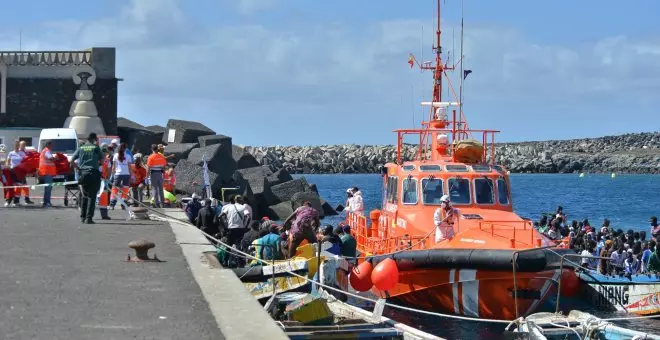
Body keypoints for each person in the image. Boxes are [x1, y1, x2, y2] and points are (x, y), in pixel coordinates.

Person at [71, 133, 104, 224]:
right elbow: (102, 160)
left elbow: (71, 161)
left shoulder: (81, 148)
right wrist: (98, 164)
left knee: (84, 196)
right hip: (93, 173)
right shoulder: (96, 148)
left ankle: (83, 217)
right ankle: (89, 218)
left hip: (83, 174)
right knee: (92, 197)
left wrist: (78, 168)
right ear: (94, 139)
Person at [6, 141, 34, 205]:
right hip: (13, 171)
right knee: (15, 186)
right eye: (16, 145)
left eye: (18, 145)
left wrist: (29, 171)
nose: (17, 146)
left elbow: (26, 161)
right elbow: (7, 162)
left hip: (21, 172)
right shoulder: (11, 153)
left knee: (24, 186)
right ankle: (12, 200)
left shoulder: (22, 153)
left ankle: (24, 199)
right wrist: (8, 166)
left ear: (19, 146)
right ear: (14, 146)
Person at [109, 143, 132, 211]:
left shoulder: (115, 155)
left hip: (118, 174)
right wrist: (130, 175)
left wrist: (112, 175)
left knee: (114, 189)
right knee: (125, 190)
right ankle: (123, 204)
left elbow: (113, 166)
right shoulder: (128, 156)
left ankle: (112, 205)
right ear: (125, 149)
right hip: (126, 174)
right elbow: (129, 167)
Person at [38, 140, 58, 207]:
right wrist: (56, 158)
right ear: (48, 145)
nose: (52, 146)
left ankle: (45, 201)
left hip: (45, 172)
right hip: (47, 172)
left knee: (47, 188)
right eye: (51, 145)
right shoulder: (47, 151)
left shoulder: (44, 151)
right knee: (48, 188)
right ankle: (47, 202)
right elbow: (51, 158)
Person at [96, 145, 113, 220]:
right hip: (101, 180)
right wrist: (107, 178)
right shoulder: (106, 160)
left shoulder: (97, 159)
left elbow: (109, 170)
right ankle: (104, 215)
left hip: (100, 180)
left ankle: (103, 215)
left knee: (102, 197)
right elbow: (109, 170)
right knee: (103, 197)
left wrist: (107, 178)